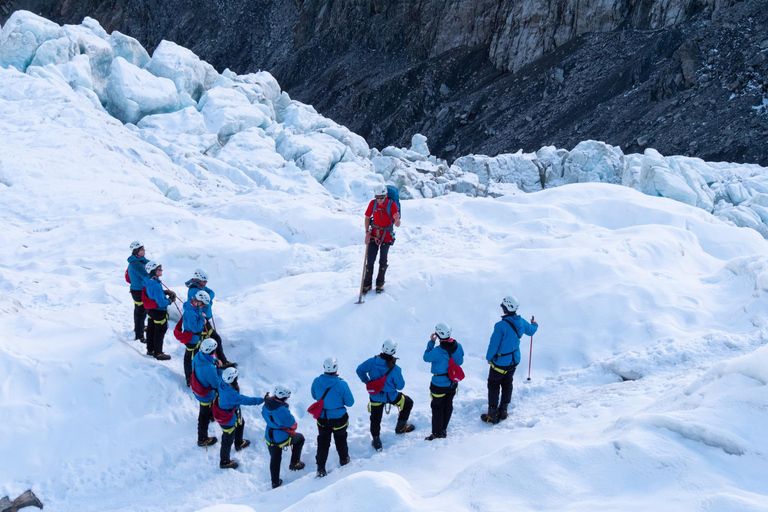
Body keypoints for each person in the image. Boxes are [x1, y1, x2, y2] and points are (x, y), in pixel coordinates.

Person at [483, 295, 538, 424]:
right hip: (514, 360)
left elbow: (493, 345)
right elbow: (531, 331)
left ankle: (492, 414)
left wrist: (489, 358)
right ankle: (503, 411)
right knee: (507, 384)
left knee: (493, 385)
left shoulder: (500, 325)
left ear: (504, 309)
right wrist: (534, 324)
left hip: (500, 362)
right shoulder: (521, 321)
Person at [356, 339, 414, 451]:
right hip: (391, 396)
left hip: (376, 396)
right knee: (408, 402)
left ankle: (376, 440)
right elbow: (400, 386)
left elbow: (359, 370)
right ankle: (401, 427)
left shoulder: (372, 362)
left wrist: (367, 381)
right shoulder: (395, 369)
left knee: (375, 418)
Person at [311, 357, 354, 477]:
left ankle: (320, 468)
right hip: (339, 418)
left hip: (323, 418)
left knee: (323, 442)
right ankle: (344, 459)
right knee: (341, 439)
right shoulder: (342, 384)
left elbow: (314, 396)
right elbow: (350, 402)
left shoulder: (316, 381)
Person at [215, 367, 265, 470]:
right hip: (227, 419)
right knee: (227, 439)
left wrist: (219, 369)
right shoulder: (231, 394)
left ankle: (238, 443)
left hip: (233, 413)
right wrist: (262, 400)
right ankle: (224, 461)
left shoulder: (222, 382)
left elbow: (220, 374)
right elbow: (246, 400)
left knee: (241, 424)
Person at [423, 322, 464, 440]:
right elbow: (460, 362)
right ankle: (443, 429)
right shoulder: (458, 346)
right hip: (452, 382)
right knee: (448, 404)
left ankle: (437, 433)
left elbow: (426, 357)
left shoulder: (437, 351)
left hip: (439, 383)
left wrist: (431, 343)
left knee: (437, 408)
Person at [262, 385, 305, 489]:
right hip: (281, 437)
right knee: (300, 439)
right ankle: (294, 463)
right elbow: (290, 422)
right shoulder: (281, 410)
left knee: (275, 458)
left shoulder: (266, 405)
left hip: (269, 435)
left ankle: (275, 482)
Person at [185, 268, 230, 364]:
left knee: (211, 341)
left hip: (204, 319)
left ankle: (218, 362)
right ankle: (220, 362)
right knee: (214, 340)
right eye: (204, 280)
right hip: (202, 320)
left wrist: (208, 299)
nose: (206, 282)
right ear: (198, 279)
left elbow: (211, 292)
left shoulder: (200, 287)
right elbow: (199, 304)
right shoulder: (194, 290)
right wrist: (207, 303)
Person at [363, 184, 400, 294]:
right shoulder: (373, 204)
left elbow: (397, 224)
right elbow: (367, 217)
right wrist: (367, 233)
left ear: (386, 195)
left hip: (387, 235)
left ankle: (380, 283)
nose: (379, 201)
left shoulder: (392, 205)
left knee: (383, 261)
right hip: (374, 234)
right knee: (370, 260)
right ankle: (367, 284)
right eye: (377, 198)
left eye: (381, 198)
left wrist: (397, 220)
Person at [191, 338, 222, 447]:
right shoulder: (209, 368)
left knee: (205, 411)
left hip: (199, 390)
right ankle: (202, 438)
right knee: (203, 417)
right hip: (206, 396)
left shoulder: (198, 356)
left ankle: (210, 415)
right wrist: (219, 369)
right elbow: (216, 384)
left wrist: (213, 361)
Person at [142, 261, 176, 360]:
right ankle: (158, 353)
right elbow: (161, 302)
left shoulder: (149, 281)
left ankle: (150, 349)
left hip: (152, 310)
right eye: (159, 269)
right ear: (153, 271)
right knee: (160, 330)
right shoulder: (155, 285)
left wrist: (164, 292)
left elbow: (153, 293)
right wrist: (170, 300)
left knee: (151, 329)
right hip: (159, 311)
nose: (161, 270)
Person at [181, 290, 210, 387]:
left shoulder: (195, 308)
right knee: (191, 359)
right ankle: (190, 378)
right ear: (199, 302)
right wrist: (202, 319)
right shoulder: (191, 312)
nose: (203, 307)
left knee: (191, 357)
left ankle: (193, 377)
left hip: (194, 338)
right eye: (203, 305)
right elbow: (195, 328)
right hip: (192, 339)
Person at [127, 241, 149, 343]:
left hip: (139, 290)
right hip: (138, 291)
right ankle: (139, 335)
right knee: (140, 312)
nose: (144, 251)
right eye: (142, 250)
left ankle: (139, 328)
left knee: (140, 311)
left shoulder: (140, 260)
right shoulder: (136, 264)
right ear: (136, 252)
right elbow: (146, 275)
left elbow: (148, 263)